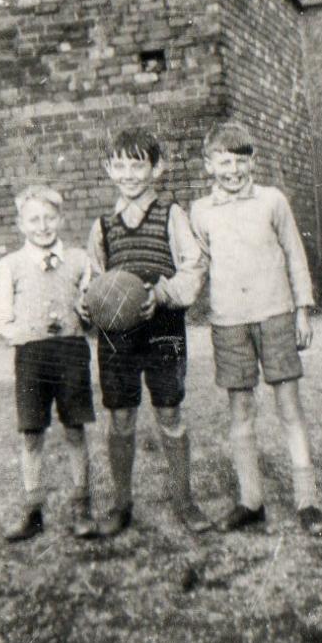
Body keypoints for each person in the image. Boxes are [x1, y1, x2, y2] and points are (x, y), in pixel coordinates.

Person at [189, 119, 322, 536]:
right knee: (240, 412)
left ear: (254, 162)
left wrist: (303, 309)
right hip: (229, 321)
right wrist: (165, 295)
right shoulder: (200, 211)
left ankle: (308, 501)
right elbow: (196, 267)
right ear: (209, 165)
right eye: (224, 162)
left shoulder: (272, 201)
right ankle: (251, 500)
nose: (233, 171)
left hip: (275, 315)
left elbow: (294, 255)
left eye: (242, 162)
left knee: (289, 407)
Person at [84, 127, 211, 537]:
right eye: (119, 165)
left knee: (170, 412)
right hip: (117, 336)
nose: (128, 174)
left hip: (163, 327)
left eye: (137, 165)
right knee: (121, 416)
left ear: (157, 168)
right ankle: (121, 504)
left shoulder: (172, 214)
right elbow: (92, 281)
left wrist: (165, 292)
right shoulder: (102, 226)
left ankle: (184, 500)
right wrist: (89, 304)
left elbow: (193, 266)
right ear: (108, 169)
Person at [0, 184, 97, 541]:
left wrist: (86, 312)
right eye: (34, 219)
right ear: (21, 224)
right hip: (32, 356)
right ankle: (32, 511)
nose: (43, 226)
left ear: (60, 219)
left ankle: (82, 507)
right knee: (32, 433)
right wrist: (21, 330)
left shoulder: (80, 260)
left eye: (49, 218)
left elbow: (94, 305)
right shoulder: (10, 266)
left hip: (71, 352)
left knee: (75, 429)